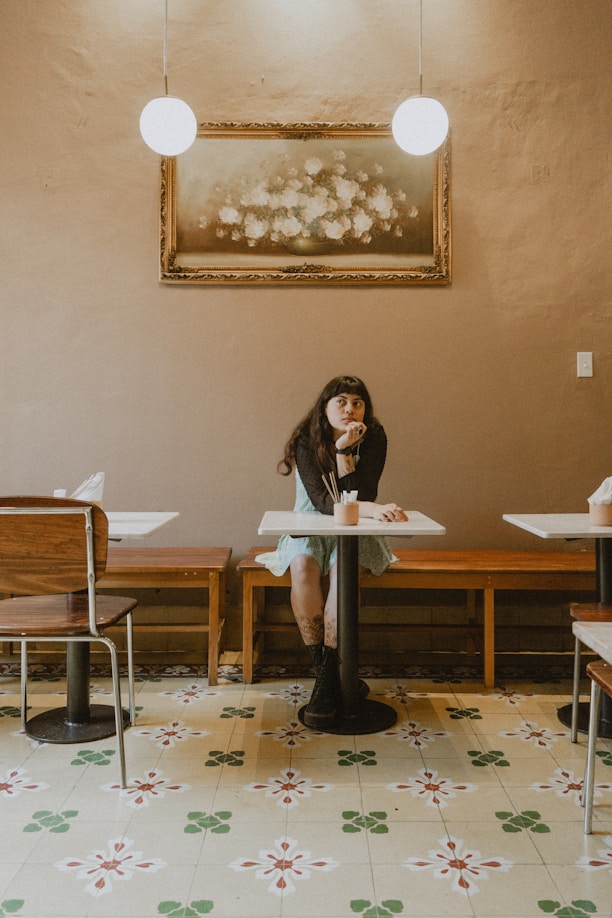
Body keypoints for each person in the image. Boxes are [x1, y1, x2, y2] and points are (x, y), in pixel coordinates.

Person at [256, 375, 407, 728]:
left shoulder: (375, 438)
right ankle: (327, 673)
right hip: (310, 520)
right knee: (304, 564)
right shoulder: (307, 440)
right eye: (341, 401)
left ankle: (330, 680)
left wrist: (345, 452)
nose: (350, 409)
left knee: (343, 571)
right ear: (325, 408)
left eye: (357, 402)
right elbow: (325, 502)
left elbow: (360, 492)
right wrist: (338, 451)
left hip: (355, 526)